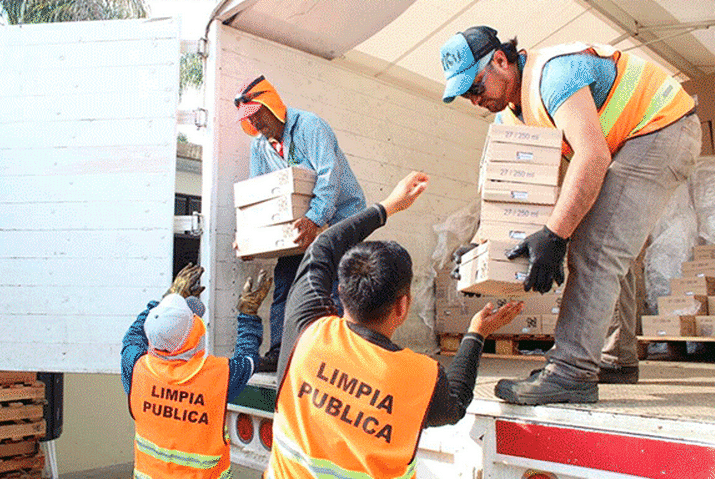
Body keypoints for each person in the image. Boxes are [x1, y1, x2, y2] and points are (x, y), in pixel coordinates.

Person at [440, 26, 701, 404]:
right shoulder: (508, 118)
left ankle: (571, 372)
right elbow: (517, 192)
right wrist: (481, 245)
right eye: (465, 94)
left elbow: (592, 156)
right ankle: (614, 358)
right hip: (626, 142)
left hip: (661, 127)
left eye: (475, 88)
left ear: (500, 59)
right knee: (600, 240)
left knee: (596, 248)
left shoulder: (553, 76)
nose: (474, 100)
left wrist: (556, 235)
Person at [265, 171, 524, 478]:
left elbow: (322, 246)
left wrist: (389, 205)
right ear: (403, 305)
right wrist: (476, 333)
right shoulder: (420, 377)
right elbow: (454, 403)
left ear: (342, 292)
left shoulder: (306, 333)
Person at [233, 75, 366, 373]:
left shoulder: (310, 126)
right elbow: (261, 195)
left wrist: (314, 218)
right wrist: (250, 237)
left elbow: (328, 178)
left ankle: (338, 358)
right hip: (301, 227)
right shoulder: (260, 146)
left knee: (335, 286)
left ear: (272, 105)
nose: (254, 123)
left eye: (256, 114)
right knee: (285, 284)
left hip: (341, 218)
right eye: (248, 119)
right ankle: (280, 351)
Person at [121, 263, 271, 478]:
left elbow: (132, 338)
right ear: (193, 334)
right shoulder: (217, 375)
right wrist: (247, 313)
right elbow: (248, 358)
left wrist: (164, 302)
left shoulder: (136, 370)